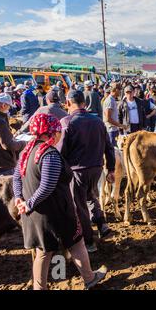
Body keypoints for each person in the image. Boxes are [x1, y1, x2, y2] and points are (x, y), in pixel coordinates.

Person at [13, 113, 107, 290]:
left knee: (43, 251)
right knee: (77, 243)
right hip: (57, 213)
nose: (59, 135)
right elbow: (47, 186)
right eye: (58, 132)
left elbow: (17, 178)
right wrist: (29, 202)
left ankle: (39, 288)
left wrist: (20, 198)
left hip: (34, 216)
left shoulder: (26, 152)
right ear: (51, 133)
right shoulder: (49, 155)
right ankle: (89, 278)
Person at [59, 90, 116, 253]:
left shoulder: (66, 122)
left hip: (77, 170)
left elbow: (61, 150)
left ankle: (89, 240)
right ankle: (102, 223)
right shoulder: (98, 121)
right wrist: (110, 168)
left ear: (68, 103)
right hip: (96, 168)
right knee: (91, 196)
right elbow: (109, 147)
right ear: (84, 103)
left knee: (79, 206)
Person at [0, 94, 26, 176]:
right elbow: (8, 145)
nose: (9, 109)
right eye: (9, 107)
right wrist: (23, 143)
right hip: (2, 166)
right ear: (4, 105)